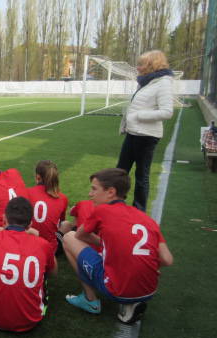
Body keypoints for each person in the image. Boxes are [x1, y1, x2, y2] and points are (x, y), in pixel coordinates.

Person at [62, 168, 173, 324]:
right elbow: (167, 260)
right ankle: (132, 303)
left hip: (117, 289)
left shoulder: (102, 210)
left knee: (69, 237)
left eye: (94, 189)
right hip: (149, 288)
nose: (90, 194)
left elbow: (80, 235)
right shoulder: (145, 218)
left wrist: (104, 244)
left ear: (111, 192)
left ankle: (90, 299)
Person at [0, 197, 56, 332]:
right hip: (29, 321)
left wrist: (4, 228)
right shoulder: (43, 245)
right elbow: (53, 272)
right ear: (30, 224)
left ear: (4, 219)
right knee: (44, 276)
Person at [117, 50, 174, 212]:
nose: (138, 67)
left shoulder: (163, 83)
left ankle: (138, 210)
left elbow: (167, 112)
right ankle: (115, 205)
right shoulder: (146, 82)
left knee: (141, 176)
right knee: (120, 171)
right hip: (133, 133)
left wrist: (139, 116)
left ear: (152, 65)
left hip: (147, 136)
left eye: (141, 64)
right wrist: (127, 122)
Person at [27, 160, 68, 256]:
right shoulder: (62, 198)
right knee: (66, 224)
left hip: (27, 246)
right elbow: (60, 222)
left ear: (38, 177)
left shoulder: (26, 192)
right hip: (49, 250)